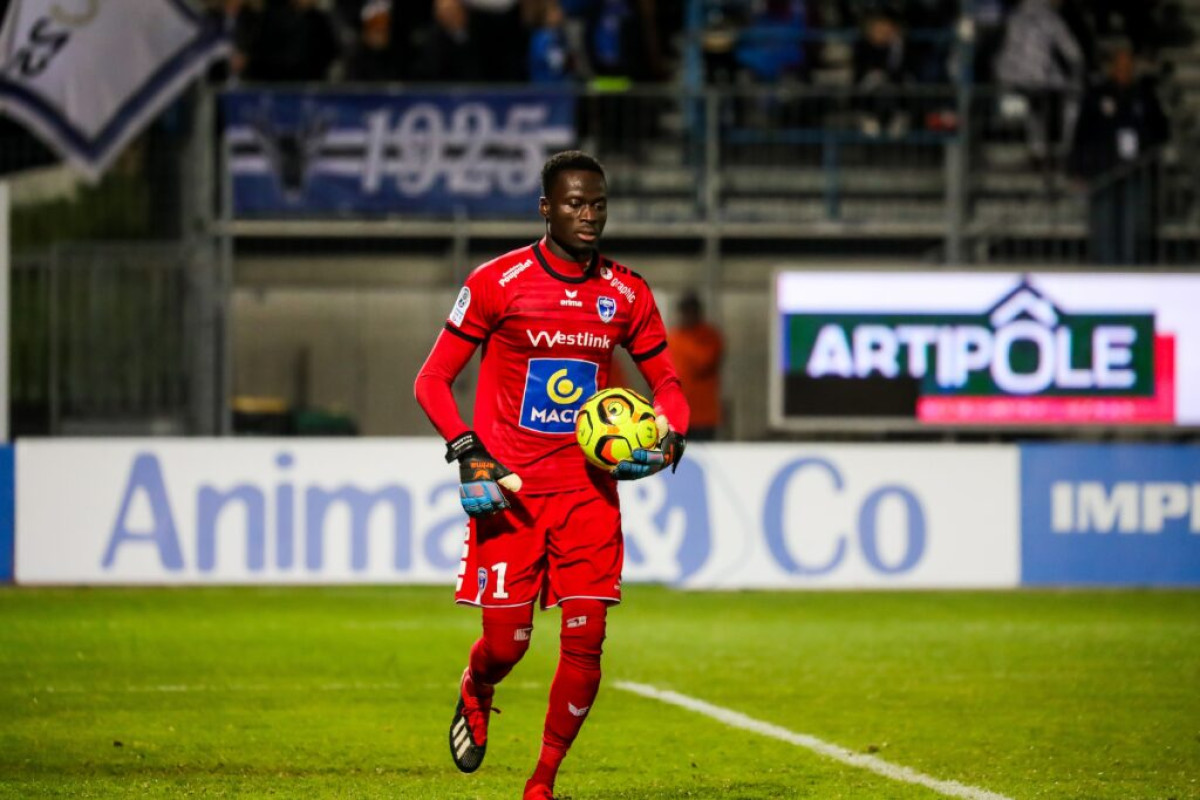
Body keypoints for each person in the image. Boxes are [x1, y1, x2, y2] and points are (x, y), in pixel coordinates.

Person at [413, 150, 689, 800]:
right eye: (573, 204)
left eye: (597, 204)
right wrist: (466, 448)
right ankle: (477, 685)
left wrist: (671, 428)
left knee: (587, 633)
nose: (588, 216)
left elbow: (668, 381)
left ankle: (542, 782)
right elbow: (431, 380)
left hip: (588, 495)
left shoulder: (627, 292)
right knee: (506, 646)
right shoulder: (496, 282)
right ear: (545, 208)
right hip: (508, 494)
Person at [1068, 42, 1170, 263]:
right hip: (1105, 173)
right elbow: (1082, 133)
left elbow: (1161, 129)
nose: (1125, 69)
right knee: (1105, 226)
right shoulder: (1097, 95)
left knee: (1134, 227)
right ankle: (1105, 272)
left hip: (1136, 171)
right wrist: (1077, 169)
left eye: (1129, 65)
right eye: (1121, 64)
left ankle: (1132, 269)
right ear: (1113, 67)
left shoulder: (1144, 95)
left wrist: (1145, 146)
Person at [666, 290, 723, 441]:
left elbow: (703, 363)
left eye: (691, 311)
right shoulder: (672, 337)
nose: (688, 316)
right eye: (685, 311)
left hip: (703, 416)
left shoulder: (710, 337)